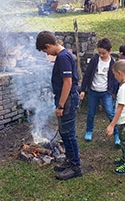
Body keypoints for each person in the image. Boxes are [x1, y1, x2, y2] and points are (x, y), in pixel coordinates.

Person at [36, 31, 82, 180]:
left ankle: (75, 168)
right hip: (66, 100)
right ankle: (70, 162)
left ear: (48, 45)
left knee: (68, 134)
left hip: (67, 101)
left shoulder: (62, 58)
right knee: (65, 132)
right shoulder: (64, 54)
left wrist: (61, 106)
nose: (46, 54)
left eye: (45, 51)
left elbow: (67, 82)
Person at [80, 38, 120, 147]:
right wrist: (83, 90)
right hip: (93, 91)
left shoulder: (112, 63)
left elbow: (115, 80)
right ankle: (89, 131)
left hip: (106, 92)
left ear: (110, 51)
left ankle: (116, 134)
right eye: (99, 52)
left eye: (103, 53)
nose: (101, 55)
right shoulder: (94, 60)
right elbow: (87, 75)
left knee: (110, 113)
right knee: (91, 112)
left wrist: (113, 92)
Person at [105, 59, 125, 175]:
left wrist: (111, 125)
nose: (114, 77)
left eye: (114, 74)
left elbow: (120, 108)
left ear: (119, 73)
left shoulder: (124, 89)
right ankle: (124, 158)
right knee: (124, 141)